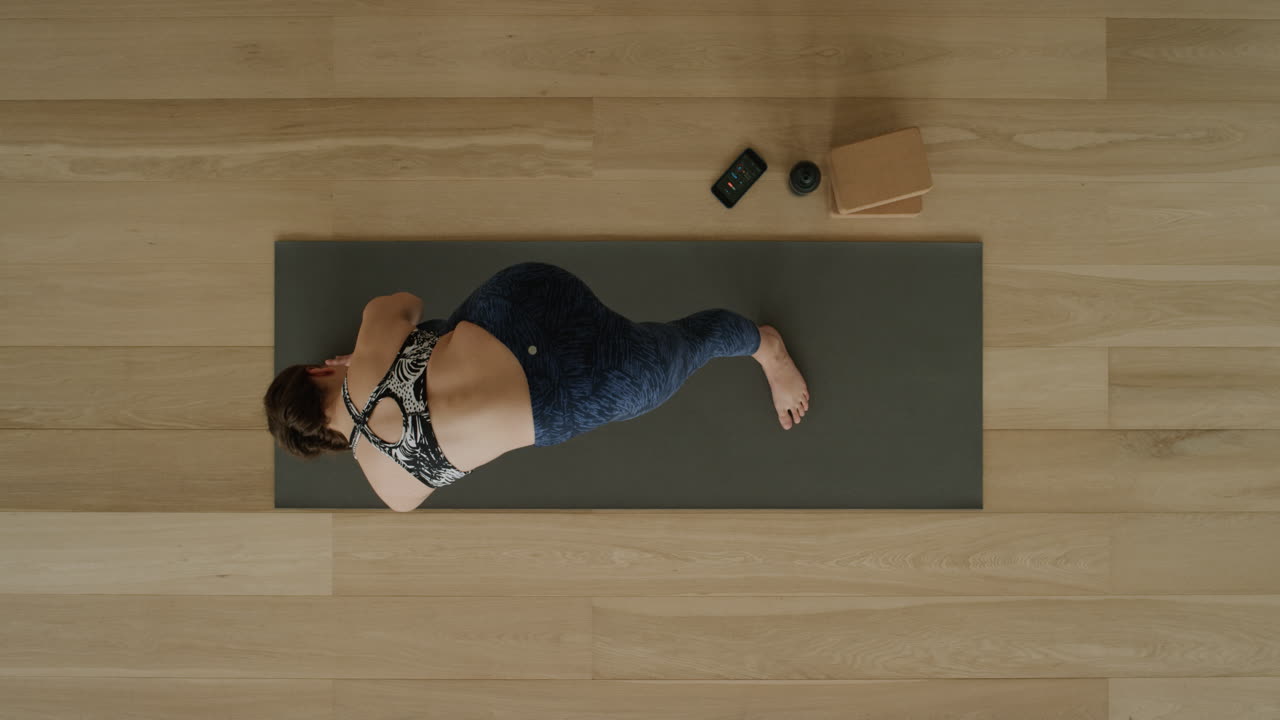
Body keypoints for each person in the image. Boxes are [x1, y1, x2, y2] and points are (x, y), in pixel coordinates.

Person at [264, 262, 809, 511]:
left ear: (326, 441)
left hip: (574, 388)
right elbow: (406, 303)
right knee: (434, 333)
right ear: (317, 371)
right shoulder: (367, 349)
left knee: (686, 348)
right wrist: (371, 351)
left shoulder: (392, 493)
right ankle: (764, 345)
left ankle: (766, 346)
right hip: (527, 298)